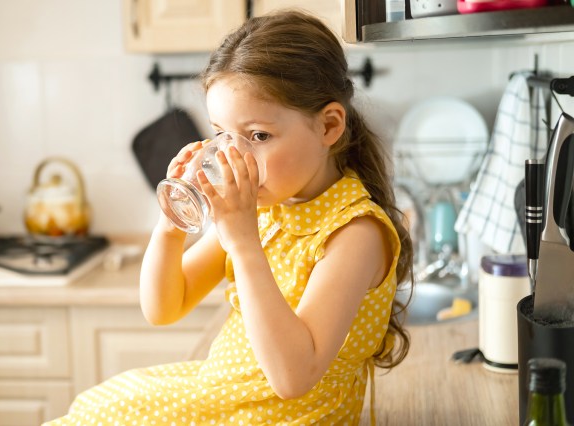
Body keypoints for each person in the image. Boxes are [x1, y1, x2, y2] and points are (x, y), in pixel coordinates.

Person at [45, 9, 413, 426]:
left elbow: (293, 378)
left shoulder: (354, 233)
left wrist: (242, 241)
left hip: (276, 418)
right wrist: (171, 225)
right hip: (227, 400)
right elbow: (163, 307)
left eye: (258, 136)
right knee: (95, 406)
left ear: (328, 126)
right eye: (222, 134)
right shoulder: (264, 208)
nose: (235, 156)